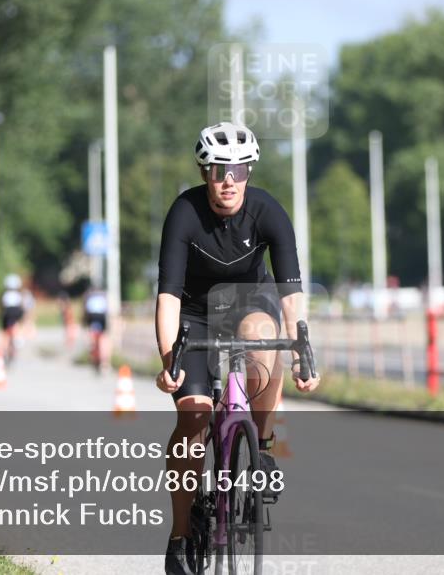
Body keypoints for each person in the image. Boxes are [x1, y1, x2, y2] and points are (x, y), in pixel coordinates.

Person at [154, 122, 320, 574]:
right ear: (205, 171)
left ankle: (260, 443)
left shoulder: (267, 211)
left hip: (249, 307)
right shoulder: (185, 212)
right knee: (192, 413)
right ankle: (181, 533)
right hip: (194, 316)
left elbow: (290, 291)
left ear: (249, 172)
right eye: (219, 170)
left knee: (263, 333)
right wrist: (169, 359)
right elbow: (168, 295)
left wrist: (302, 350)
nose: (230, 180)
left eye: (239, 170)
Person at [82, 284, 110, 373]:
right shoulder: (103, 296)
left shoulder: (89, 296)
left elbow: (86, 312)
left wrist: (84, 323)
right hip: (102, 317)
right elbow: (107, 311)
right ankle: (104, 360)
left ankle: (93, 351)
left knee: (92, 337)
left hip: (93, 317)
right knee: (103, 338)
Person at [0, 274, 26, 363]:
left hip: (8, 315)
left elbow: (2, 306)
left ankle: (6, 347)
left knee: (6, 332)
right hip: (16, 315)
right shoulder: (19, 295)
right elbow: (22, 306)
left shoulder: (5, 295)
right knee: (17, 326)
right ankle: (17, 339)